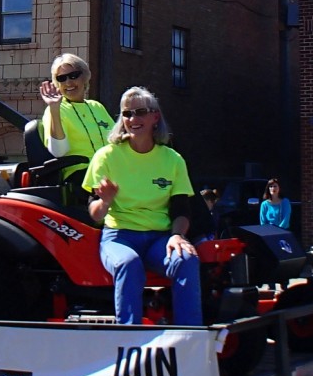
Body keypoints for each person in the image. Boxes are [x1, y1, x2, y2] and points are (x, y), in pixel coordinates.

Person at [82, 87, 201, 325]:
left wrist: (177, 235)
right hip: (119, 237)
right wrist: (105, 200)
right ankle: (130, 336)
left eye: (140, 112)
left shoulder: (173, 159)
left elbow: (181, 209)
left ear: (155, 117)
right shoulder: (106, 156)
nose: (133, 119)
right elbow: (95, 214)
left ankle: (190, 335)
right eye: (127, 114)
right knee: (129, 263)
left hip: (159, 238)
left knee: (186, 259)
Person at [39, 53, 113, 184]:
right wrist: (54, 109)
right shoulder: (57, 109)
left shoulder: (97, 106)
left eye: (73, 76)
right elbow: (58, 152)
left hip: (111, 171)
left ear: (85, 77)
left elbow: (116, 140)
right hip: (81, 176)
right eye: (61, 78)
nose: (68, 82)